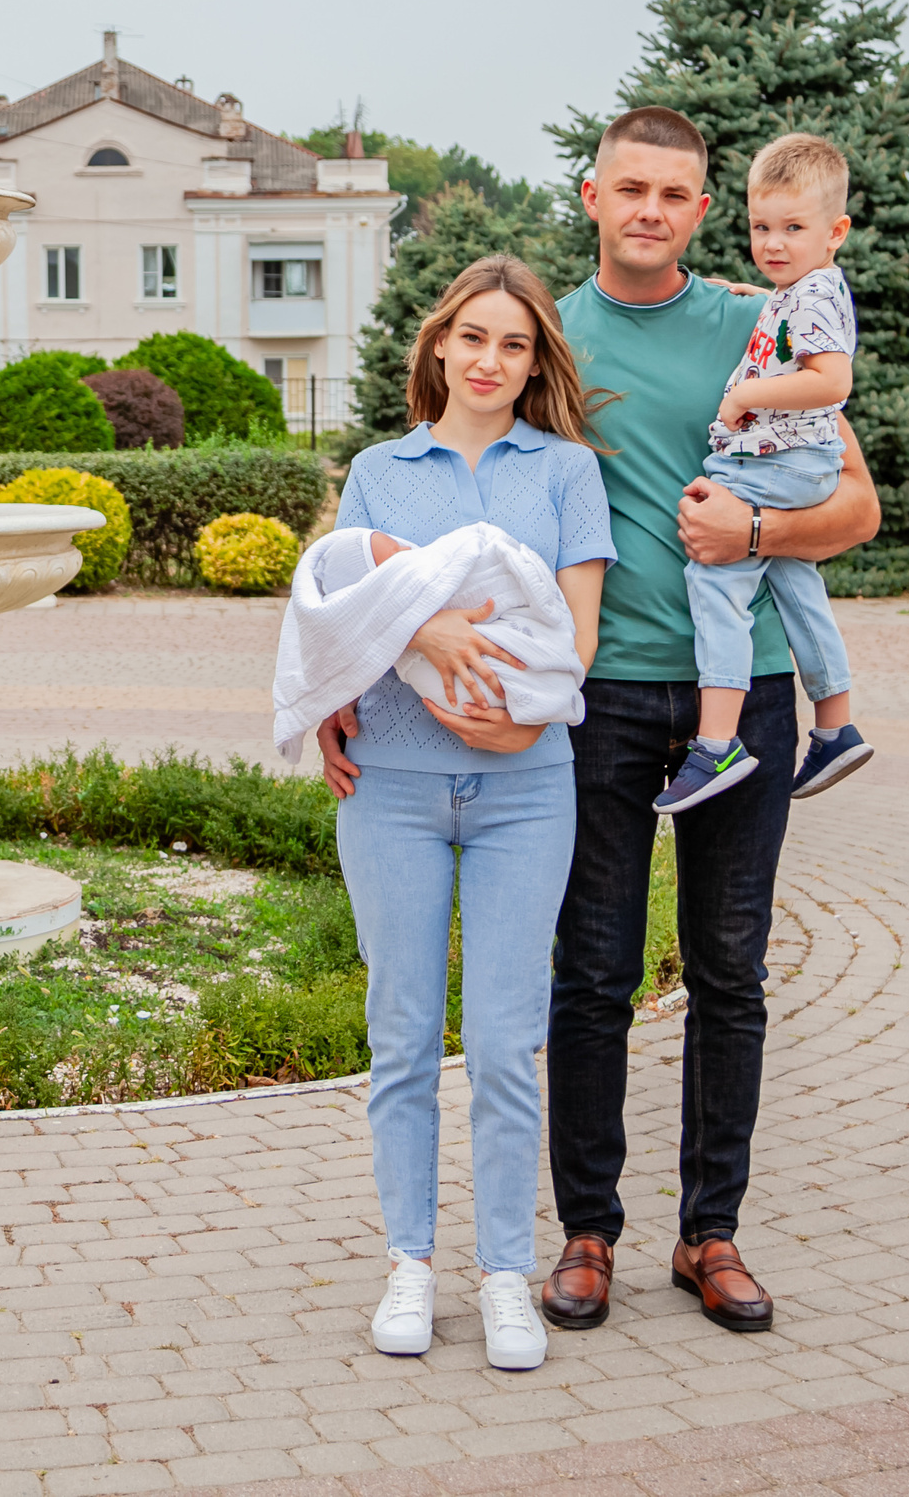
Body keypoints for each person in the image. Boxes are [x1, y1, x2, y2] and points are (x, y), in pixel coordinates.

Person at [534, 106, 880, 1337]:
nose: (650, 211)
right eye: (630, 189)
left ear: (699, 209)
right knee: (594, 972)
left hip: (753, 694)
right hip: (604, 695)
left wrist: (758, 535)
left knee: (730, 968)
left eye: (675, 195)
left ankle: (709, 1233)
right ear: (591, 195)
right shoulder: (546, 339)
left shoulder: (759, 319)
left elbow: (856, 508)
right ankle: (587, 1232)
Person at [311, 254, 614, 1372]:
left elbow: (578, 639)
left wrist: (527, 724)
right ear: (438, 345)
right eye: (473, 338)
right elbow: (341, 613)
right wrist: (420, 638)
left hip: (528, 790)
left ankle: (499, 1276)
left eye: (515, 344)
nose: (491, 361)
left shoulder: (566, 473)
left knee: (500, 1043)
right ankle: (408, 1265)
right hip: (388, 783)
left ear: (536, 361)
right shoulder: (380, 472)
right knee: (399, 1035)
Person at [653, 133, 873, 814]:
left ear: (835, 232)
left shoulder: (807, 297)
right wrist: (762, 295)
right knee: (792, 579)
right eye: (761, 227)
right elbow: (797, 324)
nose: (773, 242)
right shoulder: (804, 289)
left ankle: (716, 740)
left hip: (779, 462)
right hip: (803, 464)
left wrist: (746, 396)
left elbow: (831, 378)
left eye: (793, 229)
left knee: (715, 575)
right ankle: (836, 725)